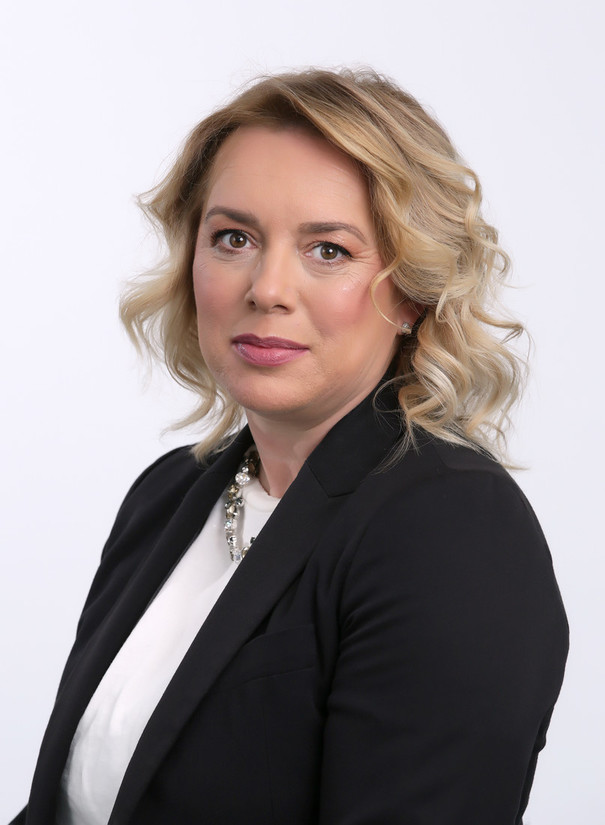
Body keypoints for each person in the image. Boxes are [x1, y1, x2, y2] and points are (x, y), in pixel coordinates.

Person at [11, 68, 568, 825]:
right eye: (233, 238)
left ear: (412, 290)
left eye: (328, 250)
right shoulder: (169, 495)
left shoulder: (452, 527)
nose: (267, 288)